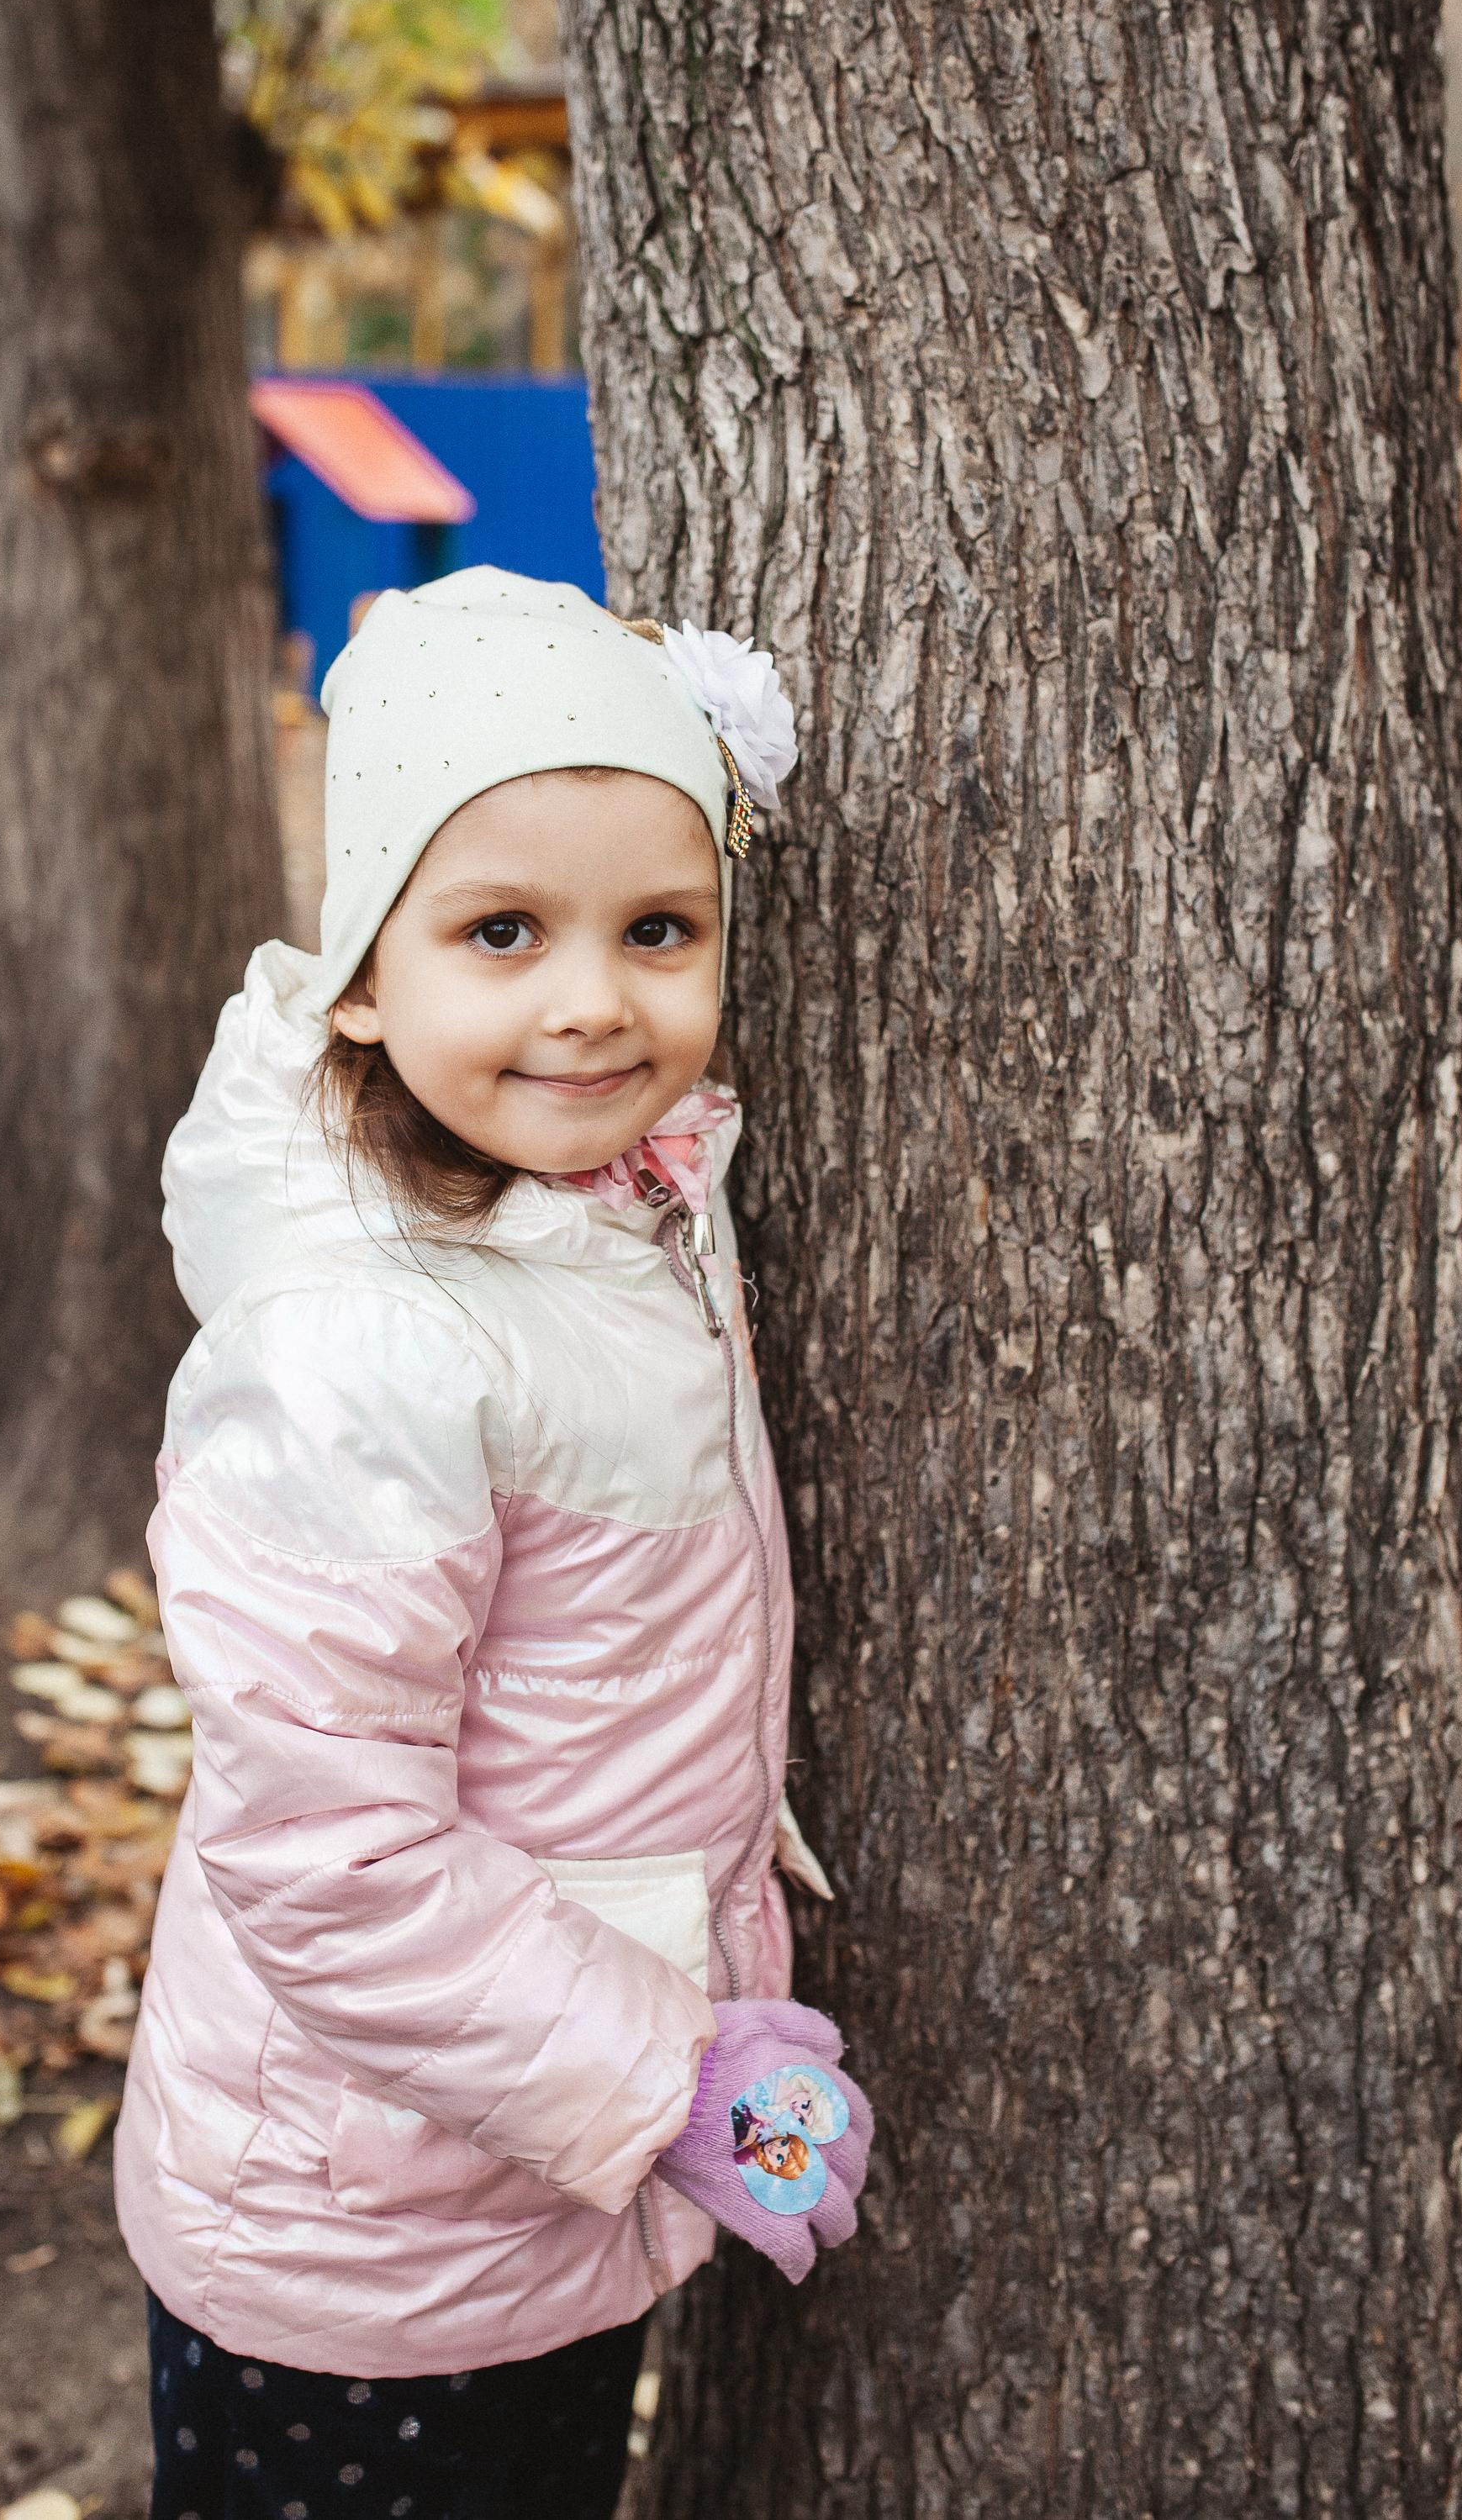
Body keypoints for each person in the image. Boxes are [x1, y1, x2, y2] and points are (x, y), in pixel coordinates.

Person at [113, 569, 873, 2520]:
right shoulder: (362, 1337)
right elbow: (327, 1844)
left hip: (529, 2174)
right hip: (363, 2229)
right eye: (503, 930)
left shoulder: (610, 1203)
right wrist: (665, 2076)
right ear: (366, 968)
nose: (594, 998)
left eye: (659, 929)